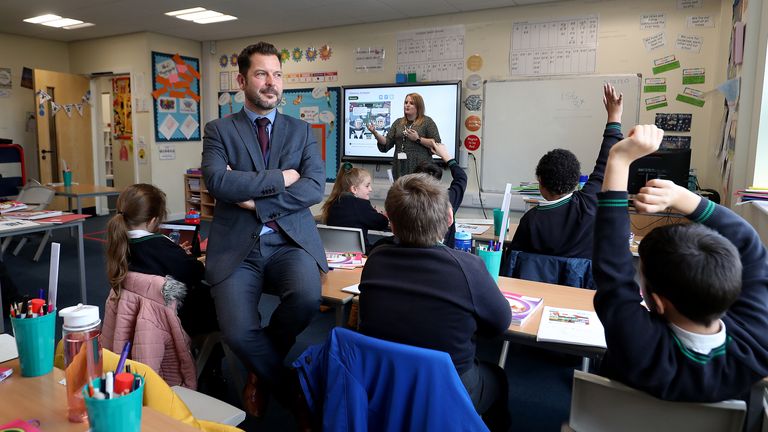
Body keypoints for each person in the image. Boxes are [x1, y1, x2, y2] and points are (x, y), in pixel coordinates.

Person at [593, 124, 768, 402]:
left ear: (659, 302)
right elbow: (749, 243)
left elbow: (611, 269)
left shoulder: (636, 343)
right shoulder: (757, 343)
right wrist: (683, 198)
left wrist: (618, 158)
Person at [201, 41, 327, 418]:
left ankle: (259, 369)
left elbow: (313, 188)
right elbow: (217, 183)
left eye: (277, 74)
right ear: (242, 80)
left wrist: (256, 199)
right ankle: (295, 394)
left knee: (306, 301)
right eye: (261, 74)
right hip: (236, 246)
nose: (271, 83)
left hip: (289, 241)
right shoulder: (219, 130)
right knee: (238, 333)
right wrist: (280, 177)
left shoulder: (301, 131)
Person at [358, 173, 512, 431]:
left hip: (386, 383)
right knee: (498, 378)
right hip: (449, 389)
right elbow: (500, 324)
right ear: (449, 218)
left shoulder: (376, 259)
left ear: (392, 224)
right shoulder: (468, 267)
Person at [510, 83, 623, 259]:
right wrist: (614, 117)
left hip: (536, 286)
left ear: (541, 182)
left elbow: (514, 262)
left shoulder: (531, 221)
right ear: (576, 182)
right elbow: (606, 163)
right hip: (580, 286)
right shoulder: (589, 205)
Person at [105, 183, 216, 338]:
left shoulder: (121, 244)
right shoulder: (162, 246)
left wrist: (177, 253)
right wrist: (182, 256)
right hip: (182, 316)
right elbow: (197, 272)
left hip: (141, 316)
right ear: (153, 220)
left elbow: (158, 262)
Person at [367, 93, 441, 179]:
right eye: (406, 103)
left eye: (411, 103)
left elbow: (437, 144)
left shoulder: (427, 122)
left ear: (419, 106)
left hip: (420, 166)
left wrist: (418, 139)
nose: (407, 105)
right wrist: (375, 133)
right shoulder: (398, 122)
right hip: (400, 165)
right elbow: (386, 142)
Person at [321, 162, 389, 253]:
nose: (370, 189)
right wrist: (382, 215)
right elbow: (382, 223)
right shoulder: (361, 205)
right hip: (360, 256)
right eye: (367, 186)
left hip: (336, 255)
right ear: (354, 189)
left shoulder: (333, 203)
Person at [413, 142, 467, 248]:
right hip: (444, 257)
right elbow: (461, 178)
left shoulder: (408, 199)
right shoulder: (446, 198)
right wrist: (446, 156)